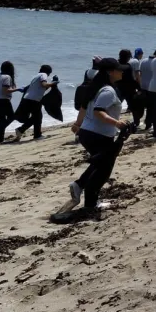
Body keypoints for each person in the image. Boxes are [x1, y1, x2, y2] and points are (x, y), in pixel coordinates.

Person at [61, 57, 128, 218]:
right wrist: (117, 123)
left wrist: (78, 125)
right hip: (97, 135)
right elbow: (98, 111)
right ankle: (89, 205)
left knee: (99, 166)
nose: (122, 71)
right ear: (110, 72)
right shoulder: (107, 91)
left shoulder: (97, 87)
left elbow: (84, 107)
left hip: (89, 133)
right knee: (103, 171)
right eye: (119, 69)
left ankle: (79, 186)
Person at [14, 65, 58, 141]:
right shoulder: (43, 75)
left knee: (37, 116)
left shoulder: (36, 76)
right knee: (37, 117)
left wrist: (50, 85)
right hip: (34, 99)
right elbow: (43, 84)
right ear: (48, 71)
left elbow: (42, 87)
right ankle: (27, 131)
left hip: (27, 98)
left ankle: (31, 132)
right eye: (49, 73)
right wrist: (53, 83)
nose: (49, 75)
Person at [0, 61, 18, 143]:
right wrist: (17, 90)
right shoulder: (7, 77)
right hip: (3, 100)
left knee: (1, 119)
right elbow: (6, 91)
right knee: (12, 117)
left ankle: (0, 139)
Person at [139, 50, 155, 131]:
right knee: (151, 107)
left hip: (143, 86)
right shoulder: (155, 63)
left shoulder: (143, 61)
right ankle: (148, 124)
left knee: (144, 105)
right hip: (151, 87)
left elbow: (140, 74)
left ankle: (143, 122)